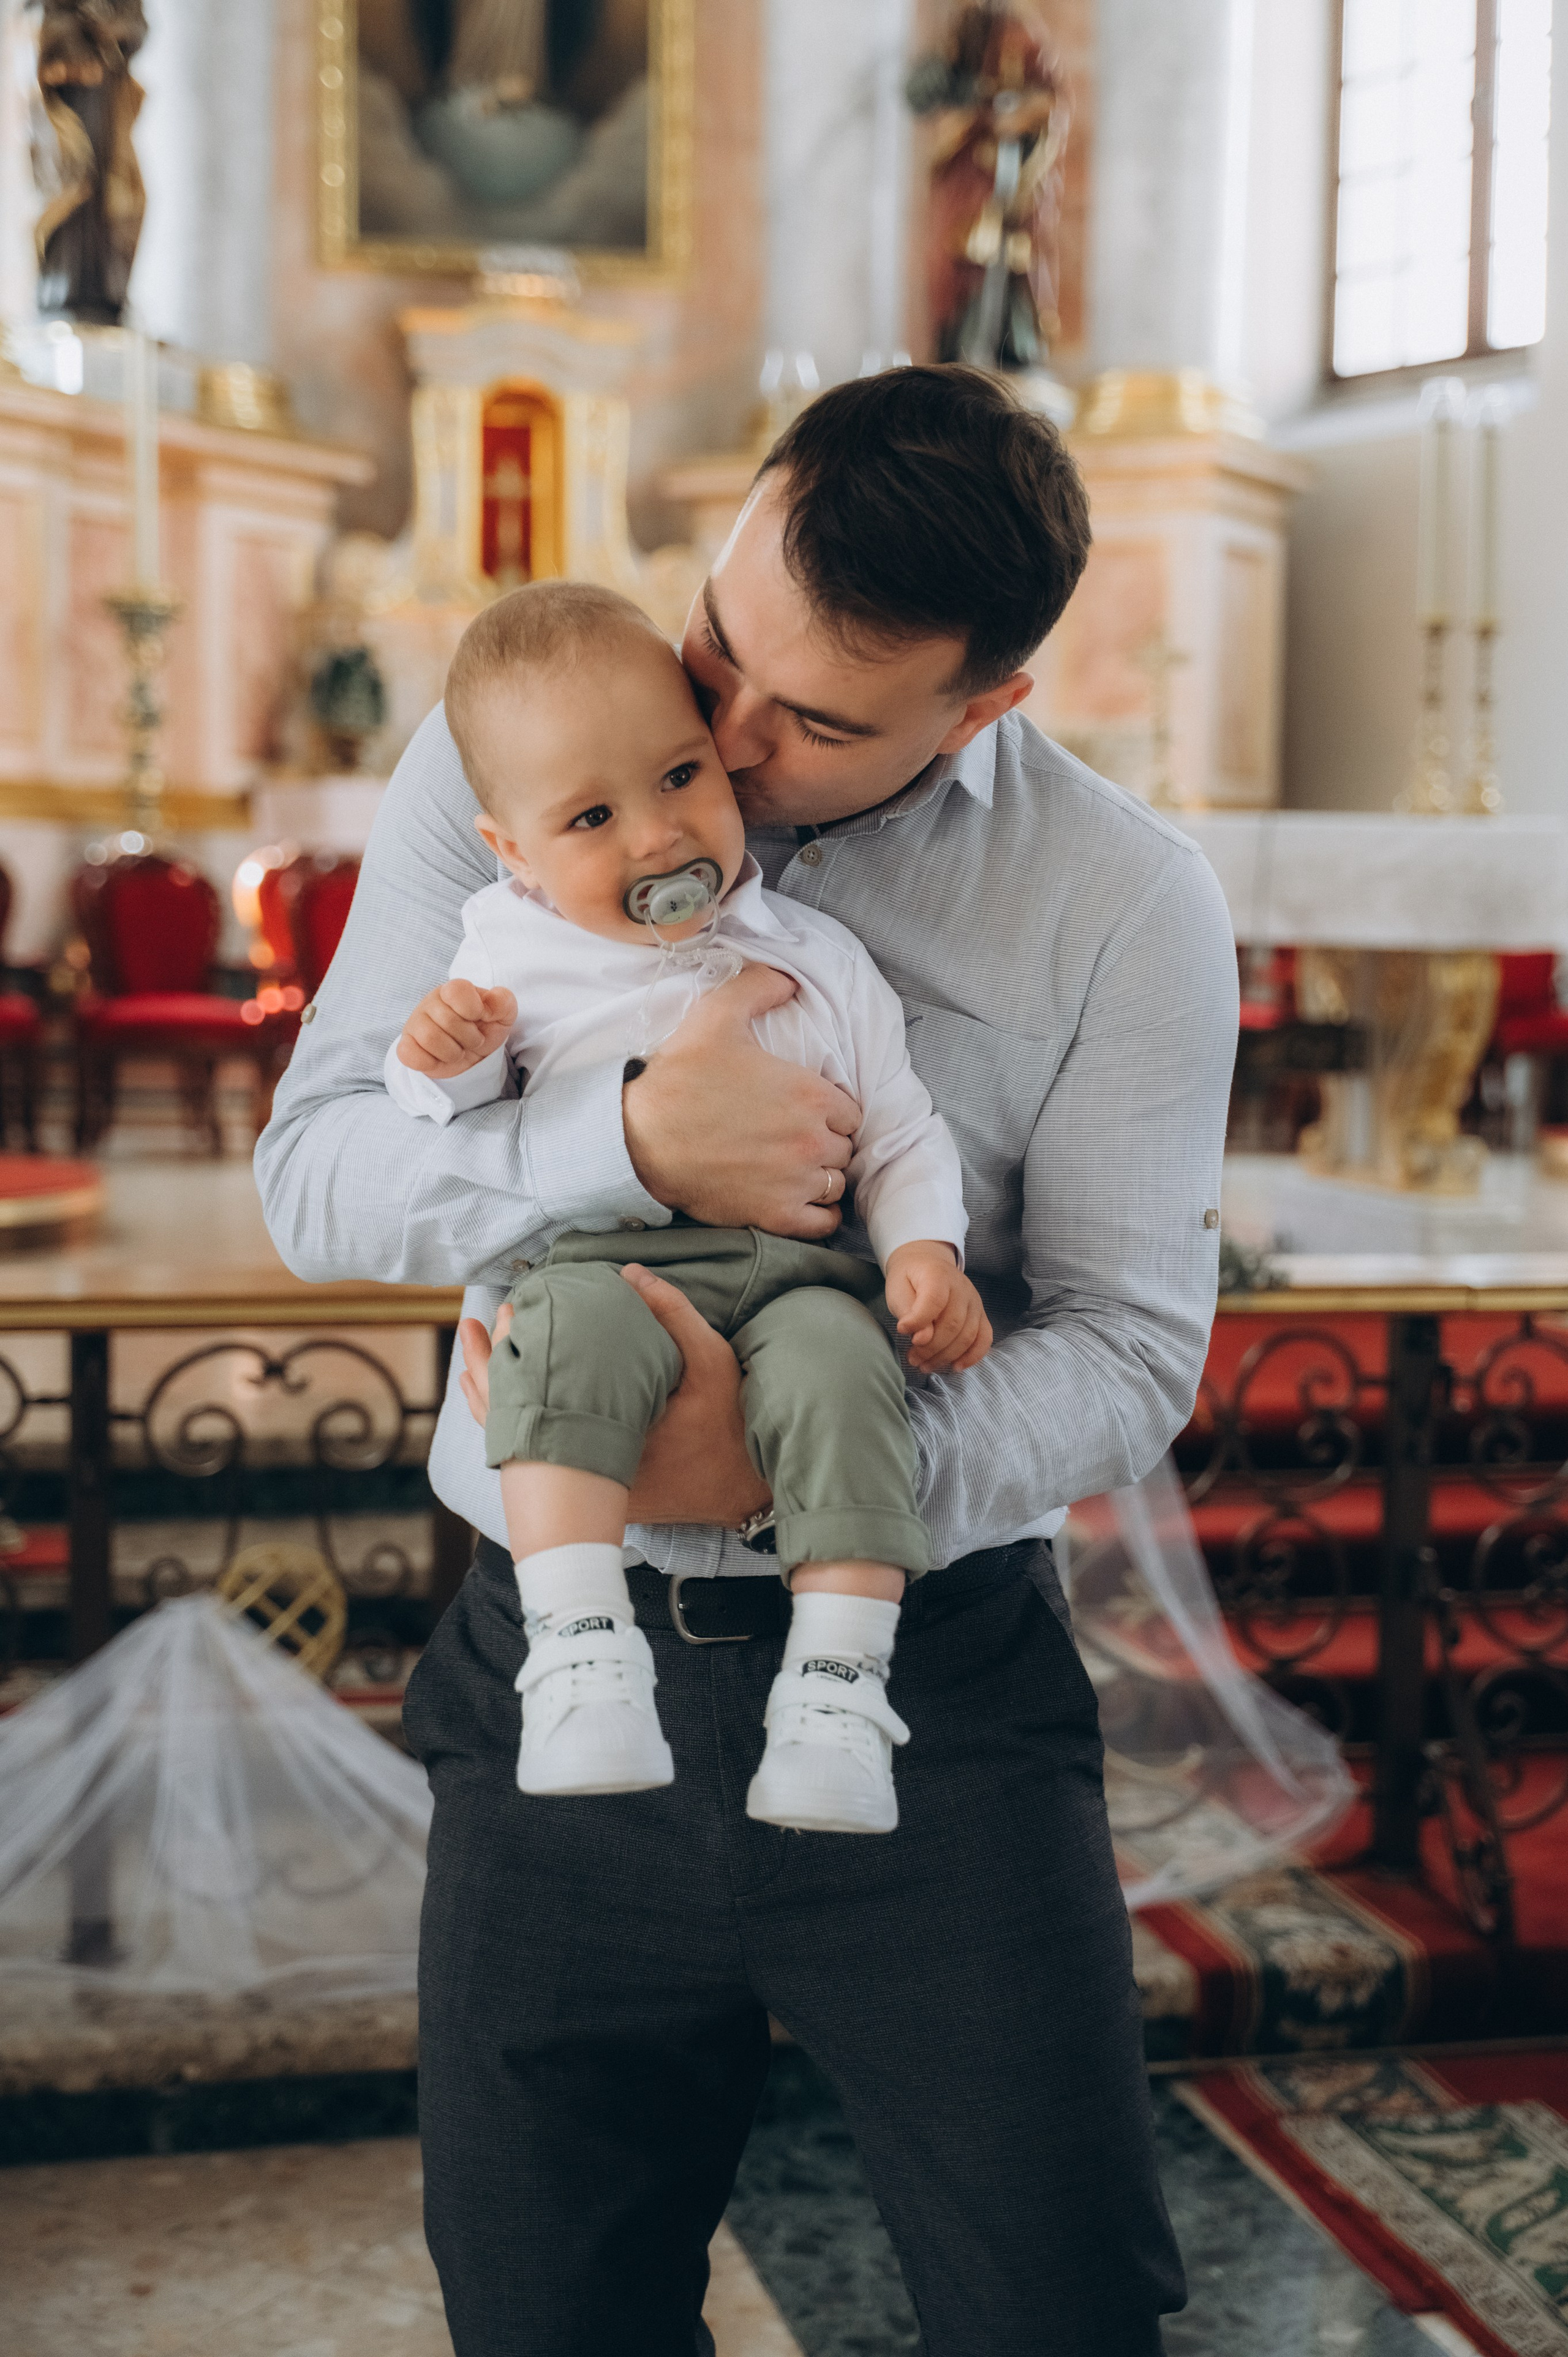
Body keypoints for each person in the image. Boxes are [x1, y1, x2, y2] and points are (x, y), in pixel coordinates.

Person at [257, 363, 1238, 2356]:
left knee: (1061, 2303)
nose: (721, 734)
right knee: (550, 2312)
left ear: (984, 709)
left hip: (932, 1699)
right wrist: (614, 1142)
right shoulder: (507, 753)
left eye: (815, 721)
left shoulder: (1127, 899)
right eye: (723, 640)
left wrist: (782, 1467)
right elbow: (318, 1172)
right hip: (555, 1681)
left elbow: (1134, 1348)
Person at [386, 579, 990, 1833]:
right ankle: (577, 1652)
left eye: (677, 778)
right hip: (598, 1257)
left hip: (793, 1272)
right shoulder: (508, 953)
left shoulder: (815, 955)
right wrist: (442, 1055)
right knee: (558, 1343)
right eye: (593, 816)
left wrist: (924, 1249)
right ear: (517, 853)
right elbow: (435, 1113)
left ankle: (835, 1691)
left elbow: (897, 1128)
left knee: (847, 1366)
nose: (657, 838)